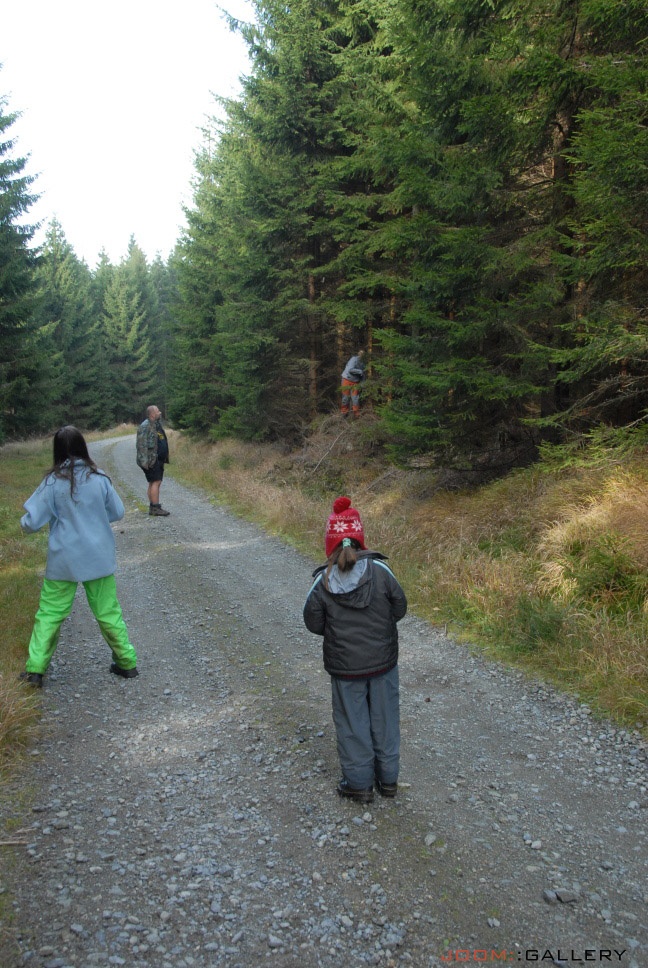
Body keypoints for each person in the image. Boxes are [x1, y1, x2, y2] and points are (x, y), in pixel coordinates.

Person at [303, 496, 407, 803]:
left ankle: (359, 785)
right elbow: (399, 608)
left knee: (352, 723)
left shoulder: (323, 581)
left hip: (345, 668)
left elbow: (313, 622)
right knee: (385, 719)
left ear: (330, 544)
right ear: (360, 538)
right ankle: (388, 780)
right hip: (383, 664)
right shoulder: (381, 571)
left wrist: (338, 634)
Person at [19, 426, 139, 688]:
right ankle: (126, 662)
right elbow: (117, 512)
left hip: (64, 559)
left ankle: (35, 669)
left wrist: (24, 523)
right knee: (108, 611)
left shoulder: (52, 482)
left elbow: (32, 522)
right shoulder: (99, 478)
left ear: (57, 450)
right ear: (83, 447)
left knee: (50, 613)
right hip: (98, 556)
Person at [136, 404, 170, 516]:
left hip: (157, 459)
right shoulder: (145, 426)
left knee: (153, 482)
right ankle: (155, 508)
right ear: (152, 414)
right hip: (151, 460)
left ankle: (153, 506)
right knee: (156, 482)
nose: (160, 413)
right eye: (157, 411)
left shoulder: (156, 424)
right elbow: (141, 445)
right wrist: (145, 462)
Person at [340, 350, 365, 417]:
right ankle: (344, 413)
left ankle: (356, 414)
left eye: (363, 354)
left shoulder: (363, 363)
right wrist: (360, 371)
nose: (362, 355)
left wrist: (362, 383)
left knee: (355, 398)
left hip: (355, 382)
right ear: (359, 354)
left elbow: (363, 374)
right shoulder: (354, 359)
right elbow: (350, 370)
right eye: (361, 353)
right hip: (346, 379)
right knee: (345, 398)